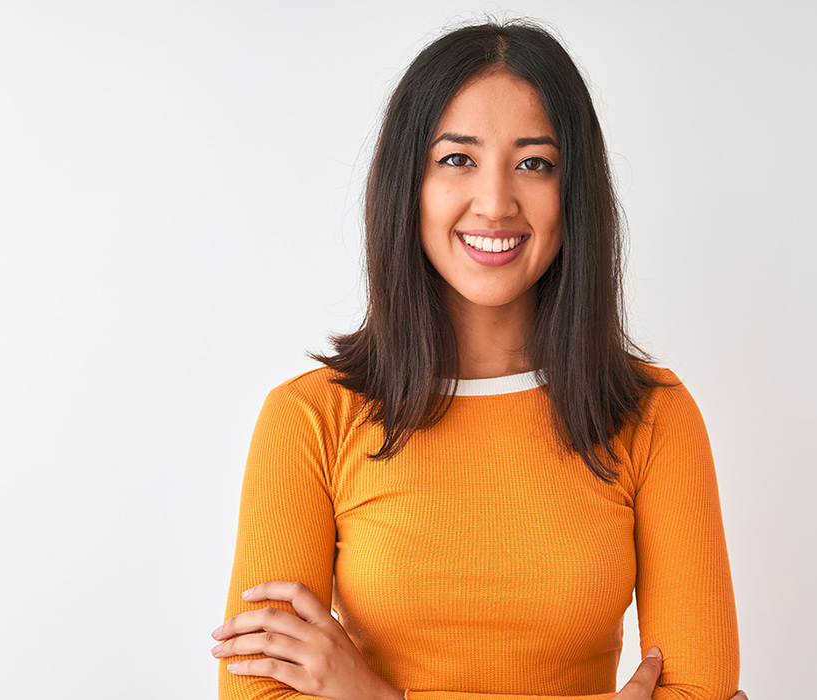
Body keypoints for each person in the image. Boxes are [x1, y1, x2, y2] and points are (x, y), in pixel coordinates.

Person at [209, 19, 744, 700]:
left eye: (534, 162)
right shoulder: (309, 420)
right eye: (457, 159)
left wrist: (375, 698)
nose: (495, 203)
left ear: (571, 192)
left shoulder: (654, 418)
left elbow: (701, 692)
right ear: (410, 184)